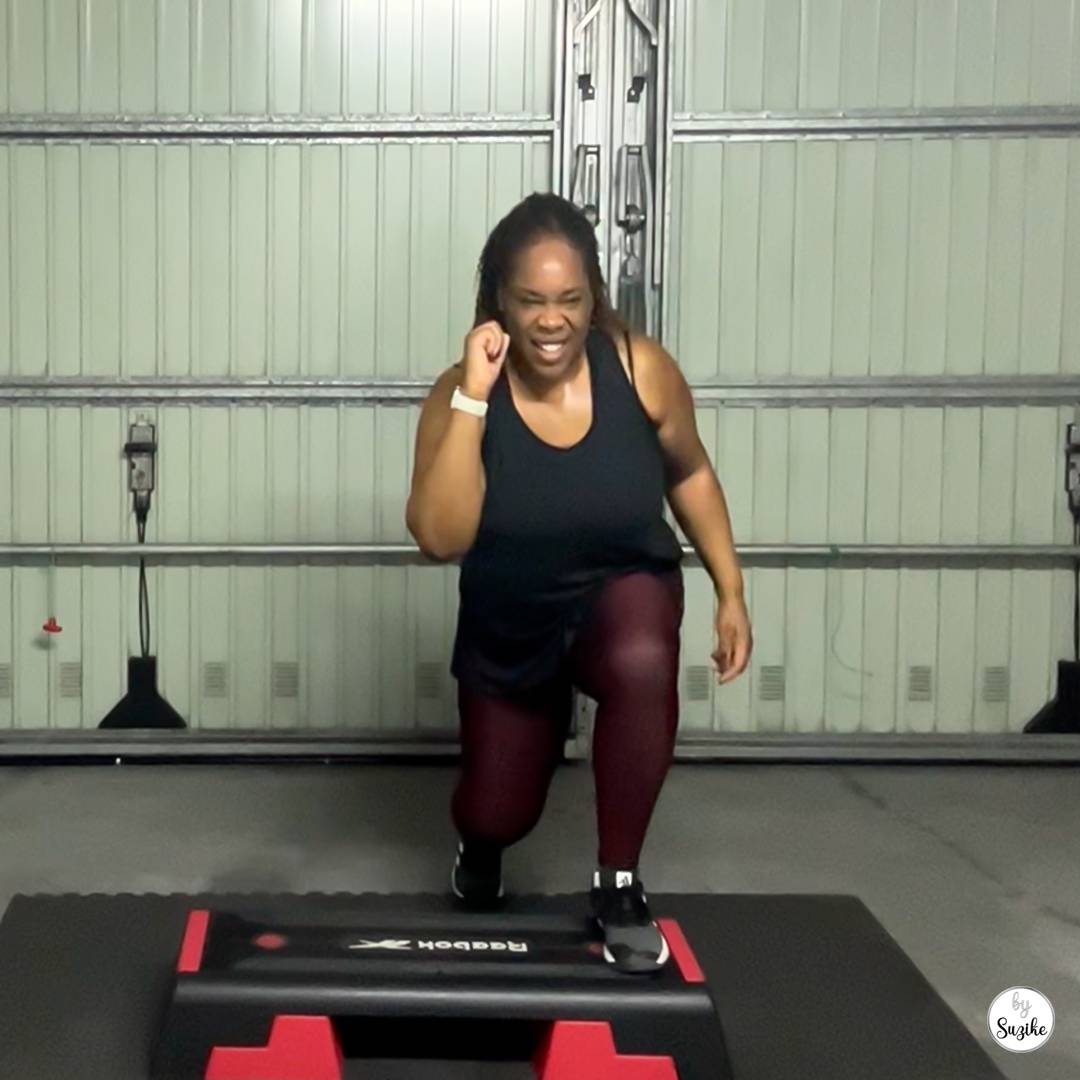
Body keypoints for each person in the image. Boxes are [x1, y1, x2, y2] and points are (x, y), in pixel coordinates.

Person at [405, 193, 752, 974]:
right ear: (499, 299)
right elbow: (439, 537)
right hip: (510, 620)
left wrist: (731, 590)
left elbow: (690, 473)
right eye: (531, 300)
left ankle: (619, 884)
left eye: (569, 299)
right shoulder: (457, 395)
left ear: (593, 295)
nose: (552, 320)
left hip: (615, 596)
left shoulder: (641, 369)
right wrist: (471, 395)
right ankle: (480, 843)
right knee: (500, 809)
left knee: (641, 650)